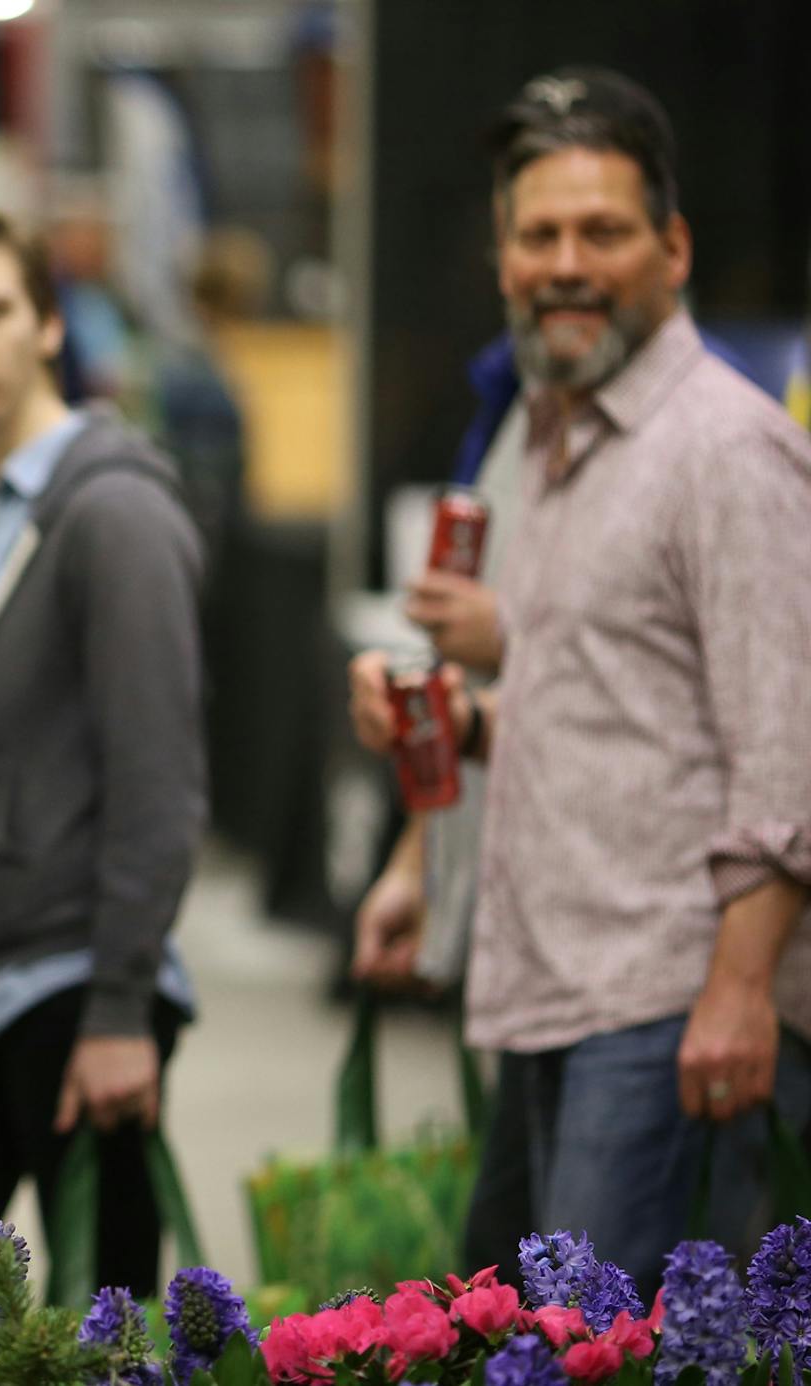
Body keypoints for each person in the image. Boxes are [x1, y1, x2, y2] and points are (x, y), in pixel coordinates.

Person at [348, 68, 811, 1291]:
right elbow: (620, 710)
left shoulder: (727, 451)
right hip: (548, 993)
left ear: (672, 248)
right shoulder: (556, 440)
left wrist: (741, 991)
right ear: (501, 257)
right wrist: (461, 732)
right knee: (512, 1347)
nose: (566, 264)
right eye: (538, 234)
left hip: (667, 1010)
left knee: (619, 1356)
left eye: (602, 233)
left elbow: (789, 754)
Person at [0, 209, 206, 1302]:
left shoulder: (114, 511)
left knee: (102, 1326)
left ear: (48, 329)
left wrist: (122, 1010)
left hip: (82, 978)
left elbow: (160, 778)